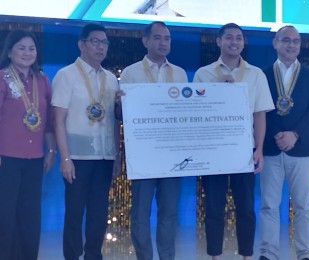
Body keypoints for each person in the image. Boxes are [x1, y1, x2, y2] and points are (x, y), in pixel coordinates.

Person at [193, 23, 274, 260]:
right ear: (218, 41)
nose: (234, 42)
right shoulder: (203, 74)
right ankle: (215, 255)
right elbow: (196, 113)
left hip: (244, 151)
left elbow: (259, 114)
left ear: (244, 43)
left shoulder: (255, 74)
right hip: (213, 152)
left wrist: (259, 149)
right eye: (229, 37)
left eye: (239, 38)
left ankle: (246, 255)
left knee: (246, 208)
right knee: (214, 208)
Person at [119, 21, 188, 260]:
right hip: (143, 154)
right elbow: (123, 113)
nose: (163, 43)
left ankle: (167, 257)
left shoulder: (179, 73)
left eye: (167, 38)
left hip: (172, 154)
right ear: (145, 41)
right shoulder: (131, 72)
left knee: (169, 213)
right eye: (157, 38)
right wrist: (120, 104)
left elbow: (186, 112)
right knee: (140, 212)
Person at [52, 23, 119, 259]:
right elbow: (58, 120)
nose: (101, 47)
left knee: (99, 214)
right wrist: (65, 158)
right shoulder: (66, 75)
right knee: (74, 213)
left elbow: (112, 120)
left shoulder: (111, 79)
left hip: (103, 156)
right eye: (95, 42)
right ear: (81, 44)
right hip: (77, 157)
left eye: (105, 43)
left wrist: (116, 157)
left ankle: (93, 255)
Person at [259, 25, 309, 260]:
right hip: (270, 148)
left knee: (304, 205)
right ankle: (268, 252)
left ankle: (306, 253)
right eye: (286, 40)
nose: (291, 45)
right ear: (275, 43)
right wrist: (278, 135)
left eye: (296, 41)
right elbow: (261, 110)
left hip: (301, 149)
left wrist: (294, 134)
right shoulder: (262, 74)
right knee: (269, 205)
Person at [0, 29, 55, 260]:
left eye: (31, 48)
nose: (27, 52)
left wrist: (51, 150)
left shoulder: (42, 80)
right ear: (10, 52)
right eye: (21, 47)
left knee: (30, 215)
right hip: (6, 159)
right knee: (5, 216)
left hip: (34, 159)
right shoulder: (2, 78)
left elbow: (50, 120)